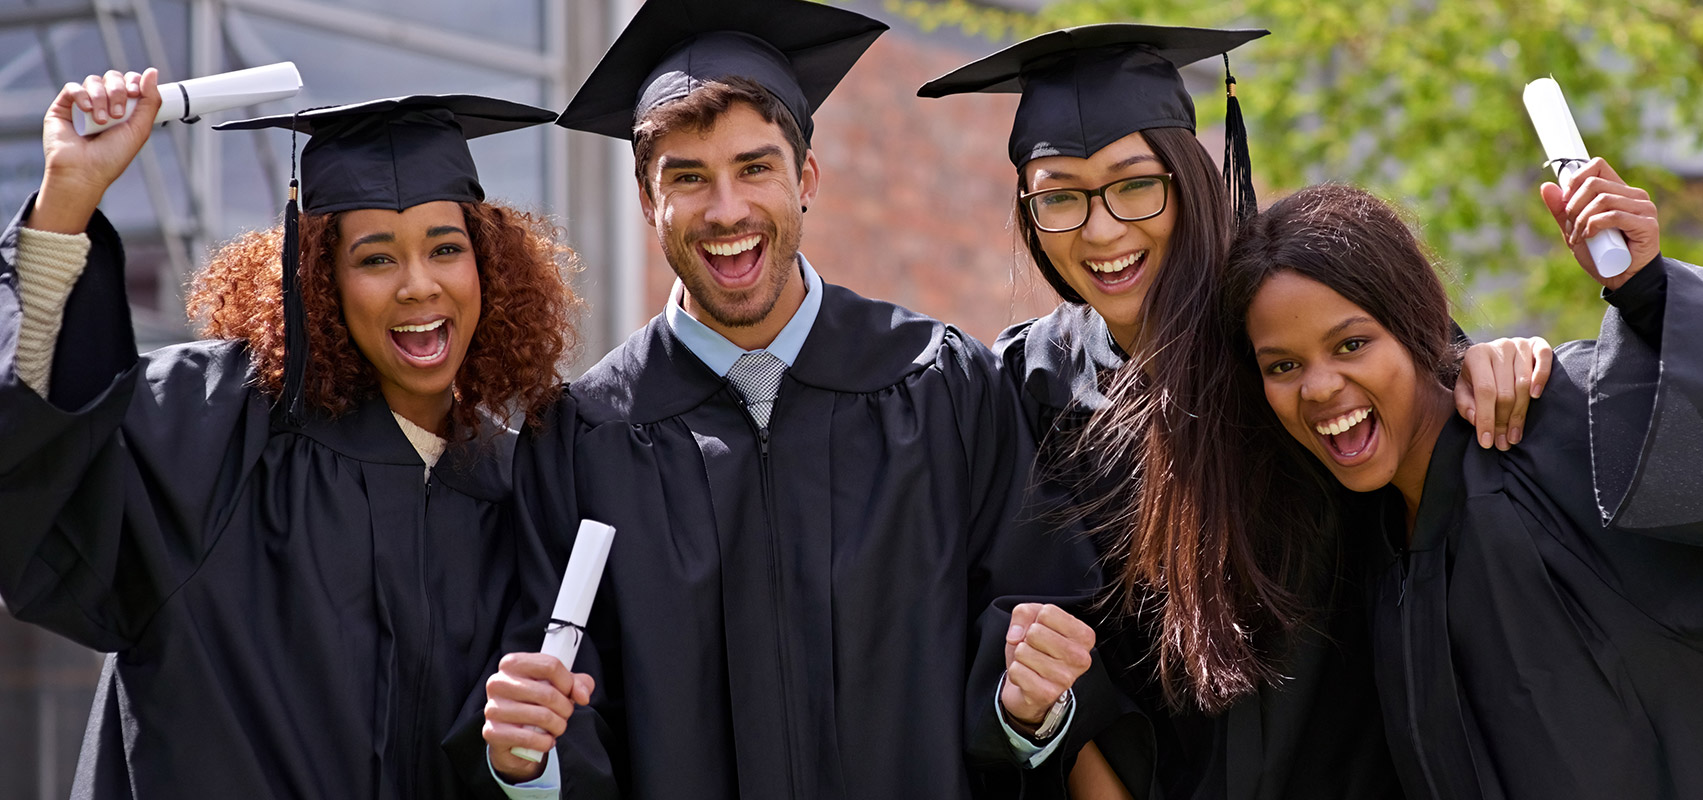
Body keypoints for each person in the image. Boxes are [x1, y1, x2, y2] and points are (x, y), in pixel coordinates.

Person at [481, 0, 1102, 796]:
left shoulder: (944, 386)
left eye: (754, 168)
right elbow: (556, 706)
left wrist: (1029, 708)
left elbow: (1032, 629)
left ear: (805, 178)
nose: (728, 210)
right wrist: (526, 762)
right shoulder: (580, 439)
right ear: (647, 200)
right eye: (689, 178)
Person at [922, 23, 1554, 799]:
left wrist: (1492, 363)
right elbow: (1028, 627)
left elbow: (1430, 423)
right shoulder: (1026, 384)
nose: (1102, 229)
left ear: (1187, 177)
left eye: (1134, 184)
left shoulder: (1287, 320)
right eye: (1060, 197)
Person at [0, 72, 591, 798]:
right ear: (320, 281)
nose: (417, 285)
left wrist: (522, 768)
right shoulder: (215, 431)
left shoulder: (514, 489)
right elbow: (35, 468)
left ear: (489, 267)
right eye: (375, 257)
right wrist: (68, 198)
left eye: (446, 248)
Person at [1187, 165, 1703, 798]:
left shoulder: (1563, 426)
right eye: (1283, 365)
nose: (1317, 387)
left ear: (1416, 325)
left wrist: (1648, 294)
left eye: (1351, 345)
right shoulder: (1360, 542)